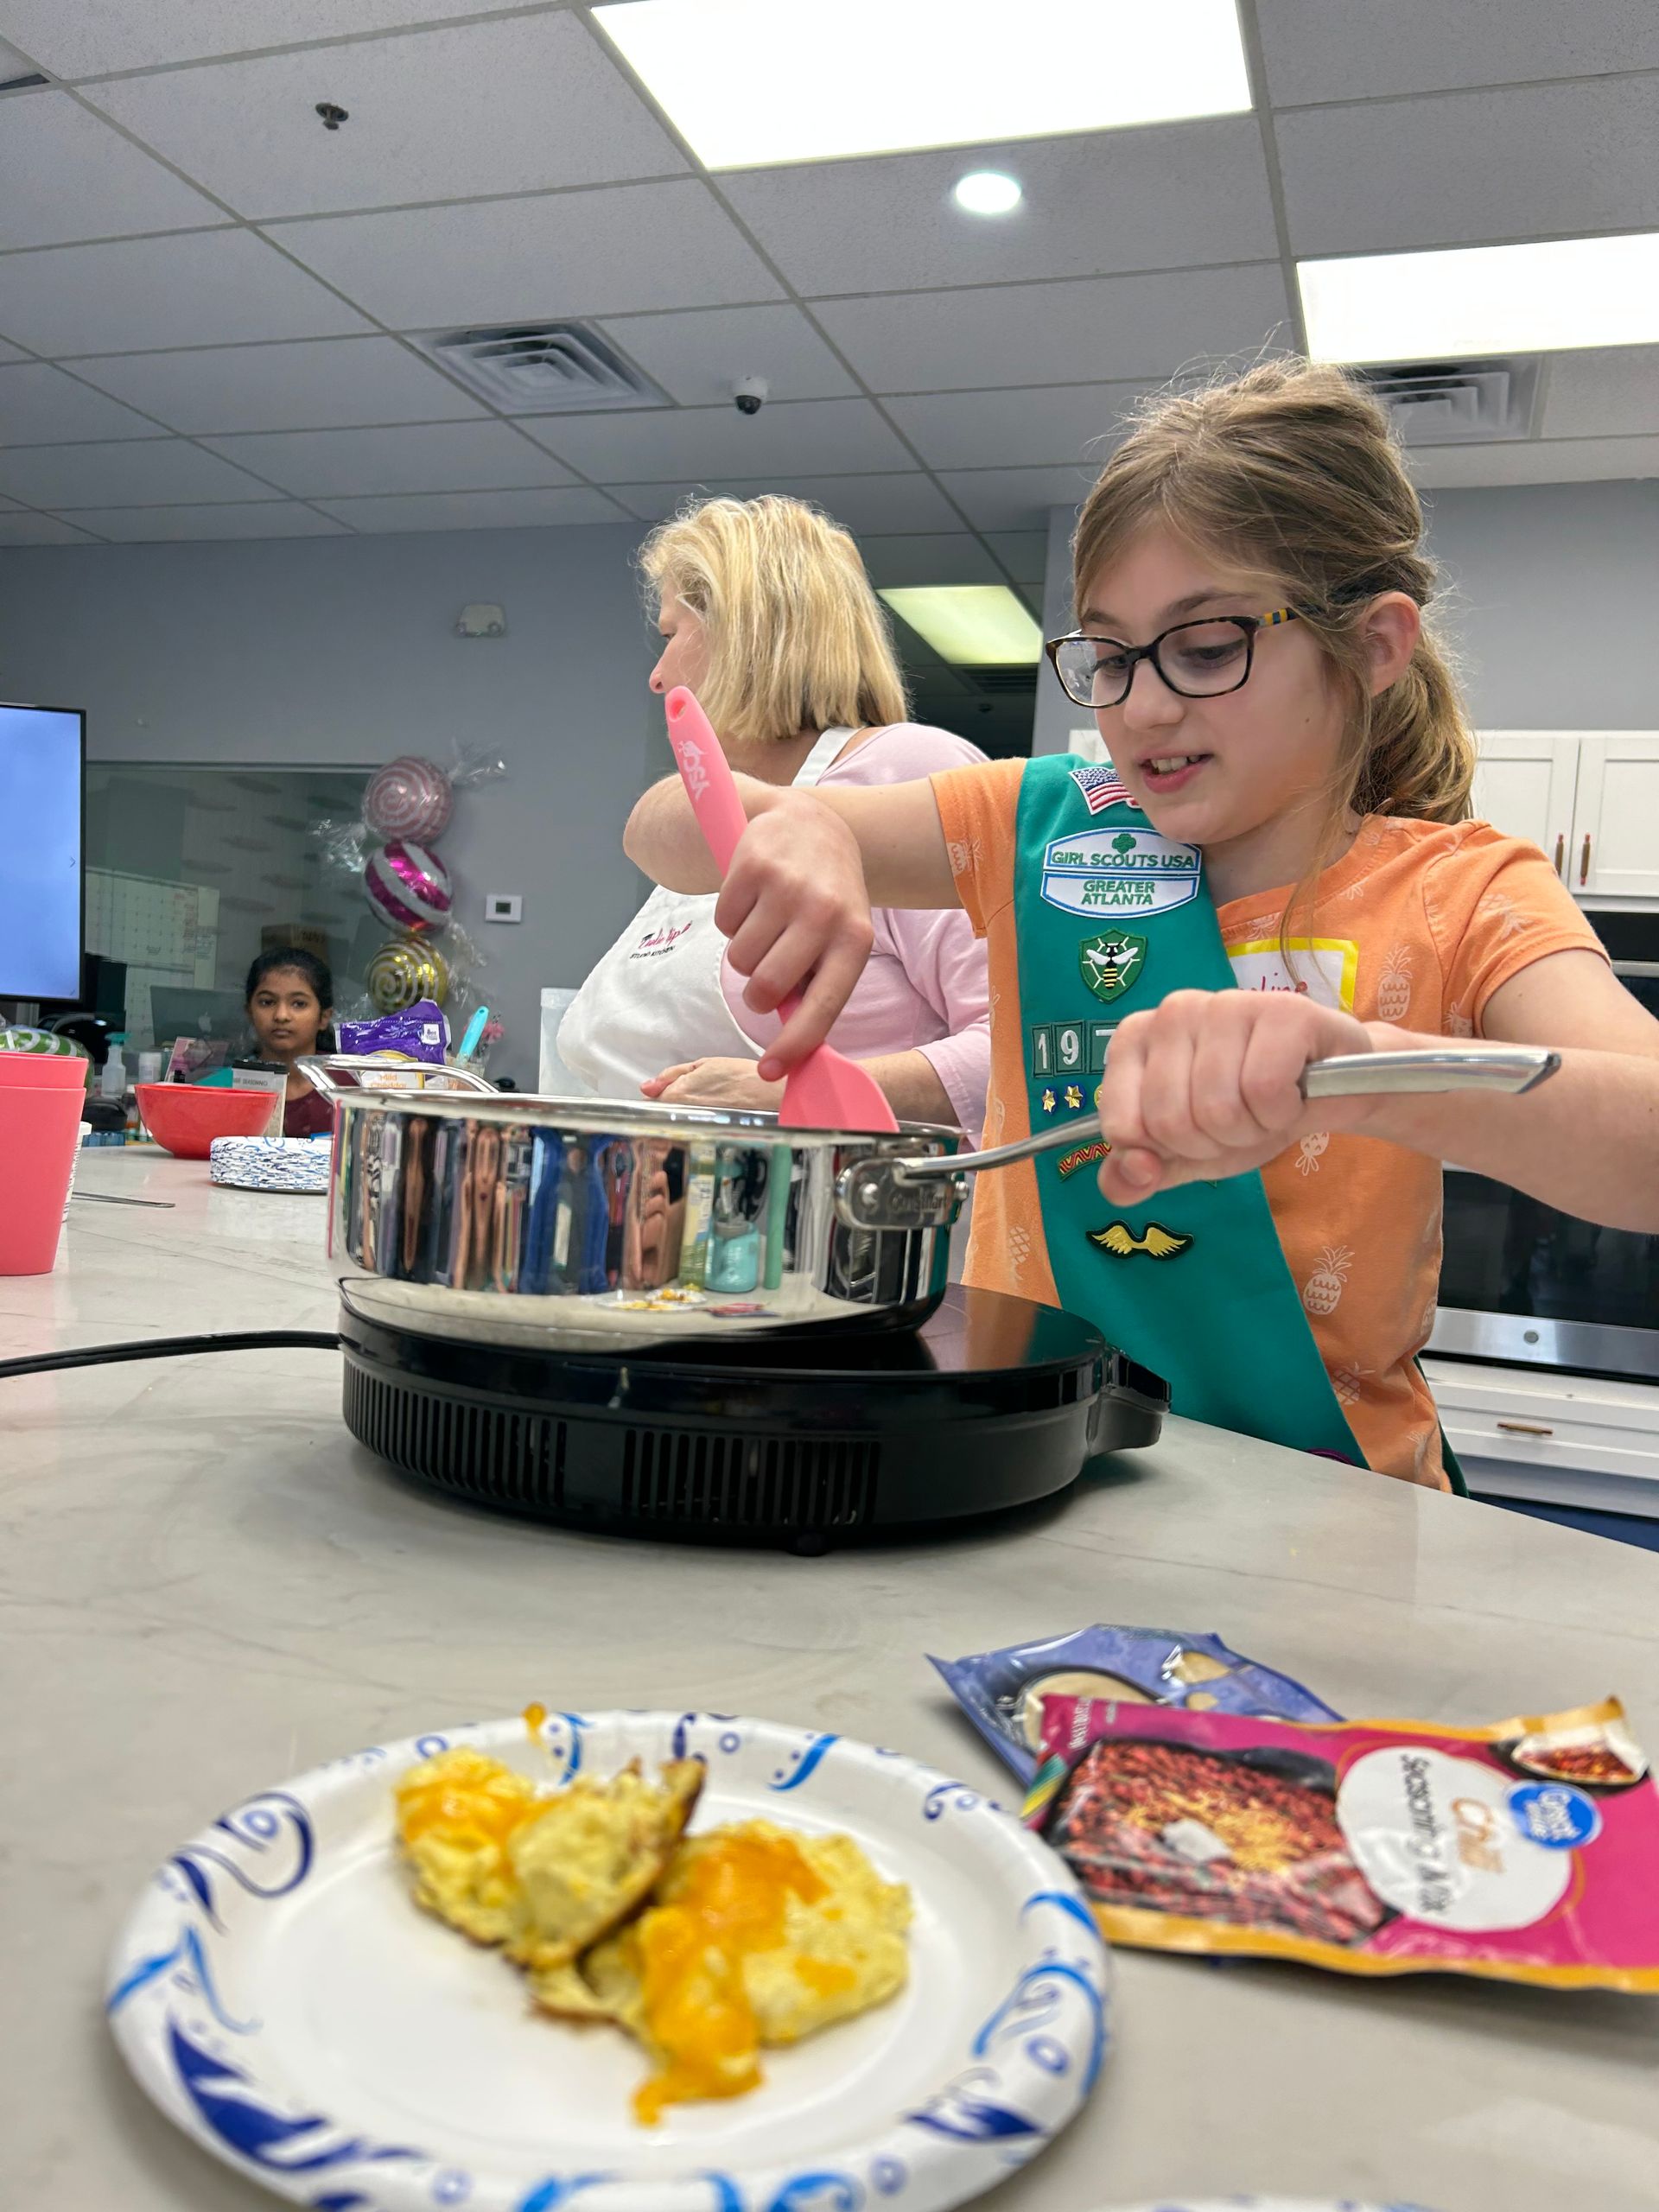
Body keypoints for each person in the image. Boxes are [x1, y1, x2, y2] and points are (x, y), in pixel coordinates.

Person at [623, 360, 1659, 1491]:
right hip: (1046, 1479)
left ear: (1372, 645)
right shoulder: (1034, 827)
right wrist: (803, 828)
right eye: (1110, 657)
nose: (1144, 706)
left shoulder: (1464, 891)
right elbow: (663, 826)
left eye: (1207, 647)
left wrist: (1364, 1070)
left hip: (1338, 1505)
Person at [557, 495, 991, 1136]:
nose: (657, 677)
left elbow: (1022, 1048)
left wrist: (791, 1093)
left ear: (742, 634)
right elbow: (645, 828)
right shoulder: (722, 812)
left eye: (672, 635)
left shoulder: (911, 769)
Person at [244, 947, 335, 1137]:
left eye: (299, 1004)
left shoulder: (349, 1090)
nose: (281, 1016)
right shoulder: (226, 1088)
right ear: (249, 1012)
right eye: (267, 1002)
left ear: (324, 1017)